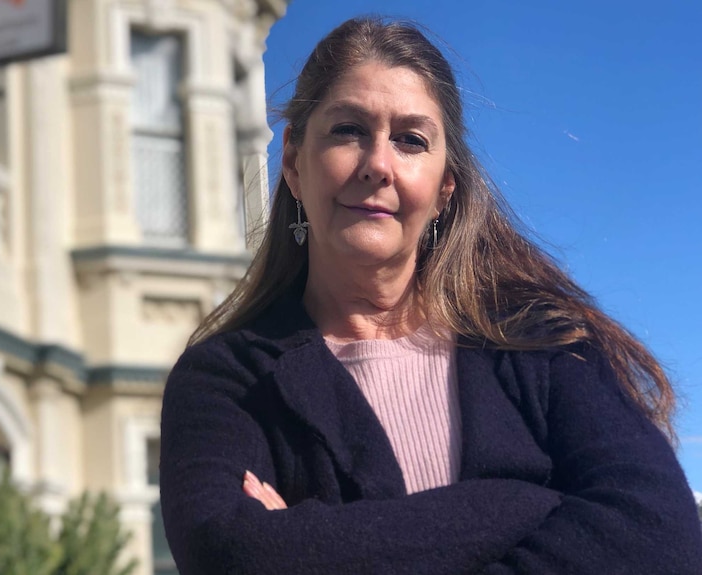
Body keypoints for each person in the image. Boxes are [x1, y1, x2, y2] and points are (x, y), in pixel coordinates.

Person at [159, 16, 702, 575]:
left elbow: (662, 539)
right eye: (348, 129)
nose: (378, 165)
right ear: (294, 162)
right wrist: (517, 504)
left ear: (445, 189)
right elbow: (235, 554)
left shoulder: (545, 347)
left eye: (410, 140)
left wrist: (322, 542)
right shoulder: (225, 381)